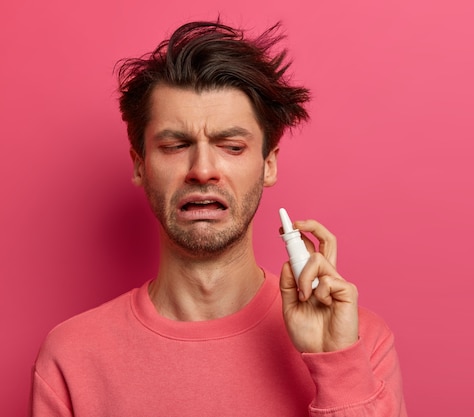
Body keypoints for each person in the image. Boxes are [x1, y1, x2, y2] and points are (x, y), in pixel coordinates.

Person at [30, 20, 407, 416]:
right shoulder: (71, 359)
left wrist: (337, 365)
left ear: (269, 164)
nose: (203, 170)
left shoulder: (358, 342)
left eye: (231, 146)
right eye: (176, 145)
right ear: (141, 166)